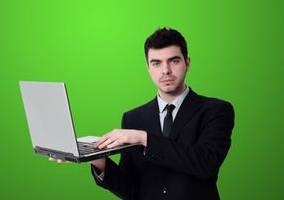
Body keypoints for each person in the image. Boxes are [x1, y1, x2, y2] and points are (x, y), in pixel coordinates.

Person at [50, 27, 235, 200]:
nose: (166, 71)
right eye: (156, 63)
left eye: (174, 60)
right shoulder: (133, 118)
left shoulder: (216, 110)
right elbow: (130, 189)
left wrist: (144, 138)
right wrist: (99, 160)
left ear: (187, 63)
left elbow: (205, 164)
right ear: (148, 68)